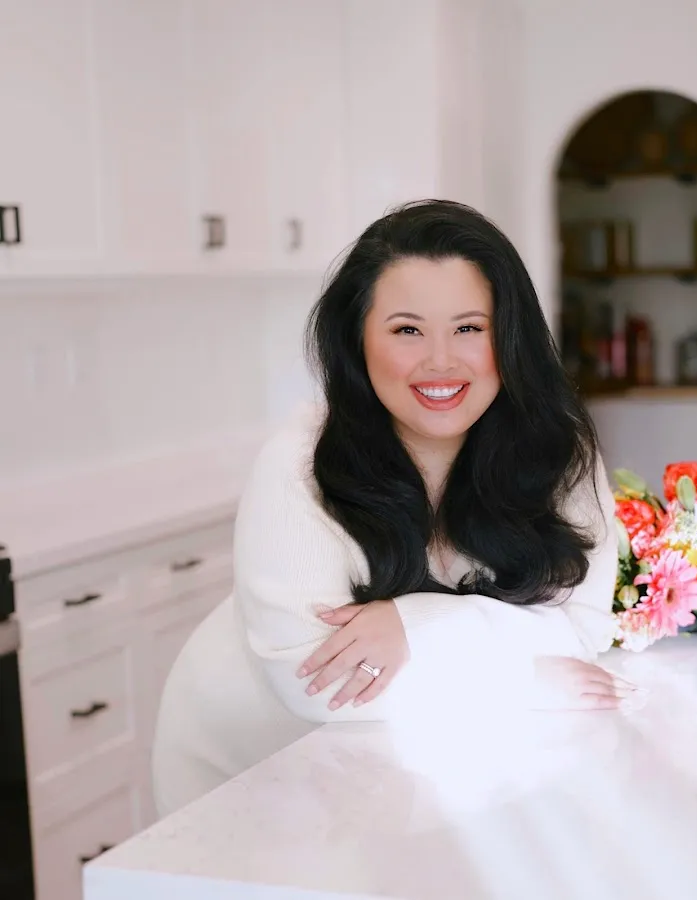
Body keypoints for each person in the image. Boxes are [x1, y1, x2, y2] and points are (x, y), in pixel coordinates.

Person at [151, 199, 639, 818]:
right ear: (358, 340)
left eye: (470, 328)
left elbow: (583, 631)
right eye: (407, 330)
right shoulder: (298, 466)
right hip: (245, 774)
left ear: (509, 336)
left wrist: (410, 625)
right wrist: (522, 677)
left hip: (393, 772)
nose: (440, 361)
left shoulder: (557, 454)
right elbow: (316, 683)